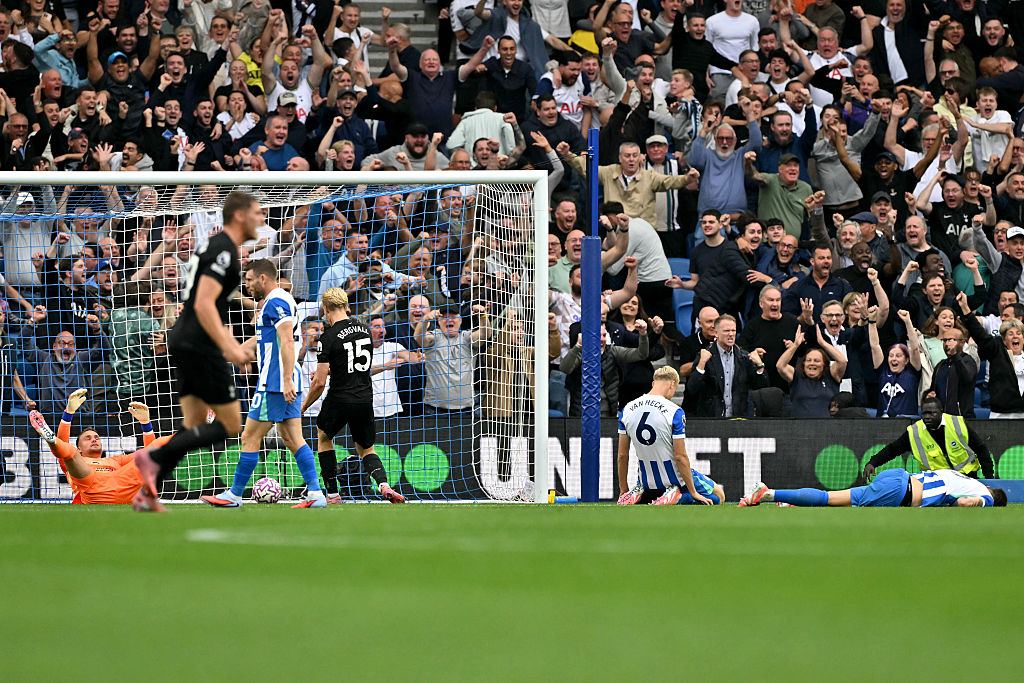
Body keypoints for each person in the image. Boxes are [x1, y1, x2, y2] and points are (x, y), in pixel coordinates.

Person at [132, 191, 260, 513]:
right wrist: (231, 348)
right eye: (257, 212)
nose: (261, 218)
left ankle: (149, 491)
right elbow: (204, 304)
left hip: (182, 339)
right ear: (240, 215)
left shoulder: (216, 248)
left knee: (193, 424)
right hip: (200, 344)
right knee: (232, 423)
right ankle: (154, 457)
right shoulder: (224, 251)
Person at [201, 260, 327, 509]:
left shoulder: (277, 301)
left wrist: (287, 379)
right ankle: (315, 494)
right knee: (293, 439)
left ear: (263, 278)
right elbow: (262, 342)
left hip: (275, 382)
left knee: (249, 435)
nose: (246, 285)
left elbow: (287, 341)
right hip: (281, 380)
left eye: (248, 280)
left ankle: (234, 495)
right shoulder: (272, 302)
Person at [301, 288, 405, 503]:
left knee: (324, 437)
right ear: (346, 306)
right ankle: (384, 485)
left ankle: (332, 494)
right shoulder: (364, 329)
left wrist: (303, 406)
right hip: (365, 397)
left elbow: (319, 383)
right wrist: (330, 369)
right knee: (366, 448)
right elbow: (354, 365)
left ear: (326, 308)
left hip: (339, 397)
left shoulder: (327, 336)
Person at [28, 391, 171, 504]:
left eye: (96, 437)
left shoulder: (116, 460)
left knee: (157, 446)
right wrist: (68, 414)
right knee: (68, 452)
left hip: (123, 487)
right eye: (88, 438)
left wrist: (146, 424)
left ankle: (189, 431)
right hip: (92, 490)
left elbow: (148, 454)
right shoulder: (76, 462)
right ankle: (51, 438)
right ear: (80, 449)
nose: (94, 439)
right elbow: (65, 446)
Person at [616, 366, 722, 506]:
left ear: (653, 383)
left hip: (647, 482)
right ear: (673, 384)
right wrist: (693, 492)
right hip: (674, 480)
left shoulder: (627, 409)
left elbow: (622, 455)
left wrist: (623, 489)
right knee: (718, 497)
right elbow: (680, 456)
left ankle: (640, 495)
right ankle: (677, 498)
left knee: (652, 496)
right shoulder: (674, 411)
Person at [861, 397, 995, 479]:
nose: (927, 417)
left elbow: (981, 449)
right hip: (937, 482)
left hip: (967, 477)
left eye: (932, 413)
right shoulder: (914, 432)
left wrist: (989, 477)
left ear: (941, 412)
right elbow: (892, 450)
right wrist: (873, 462)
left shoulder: (957, 424)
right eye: (924, 413)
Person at [739, 468, 1006, 507]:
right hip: (901, 492)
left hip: (898, 477)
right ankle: (770, 494)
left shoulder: (966, 478)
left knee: (830, 498)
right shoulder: (985, 496)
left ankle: (775, 495)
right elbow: (964, 503)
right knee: (831, 501)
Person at [685, 314, 768, 418]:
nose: (731, 334)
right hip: (712, 419)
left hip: (739, 418)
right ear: (716, 333)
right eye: (726, 331)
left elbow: (761, 386)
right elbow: (692, 388)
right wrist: (701, 364)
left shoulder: (743, 357)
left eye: (733, 331)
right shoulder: (705, 356)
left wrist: (760, 365)